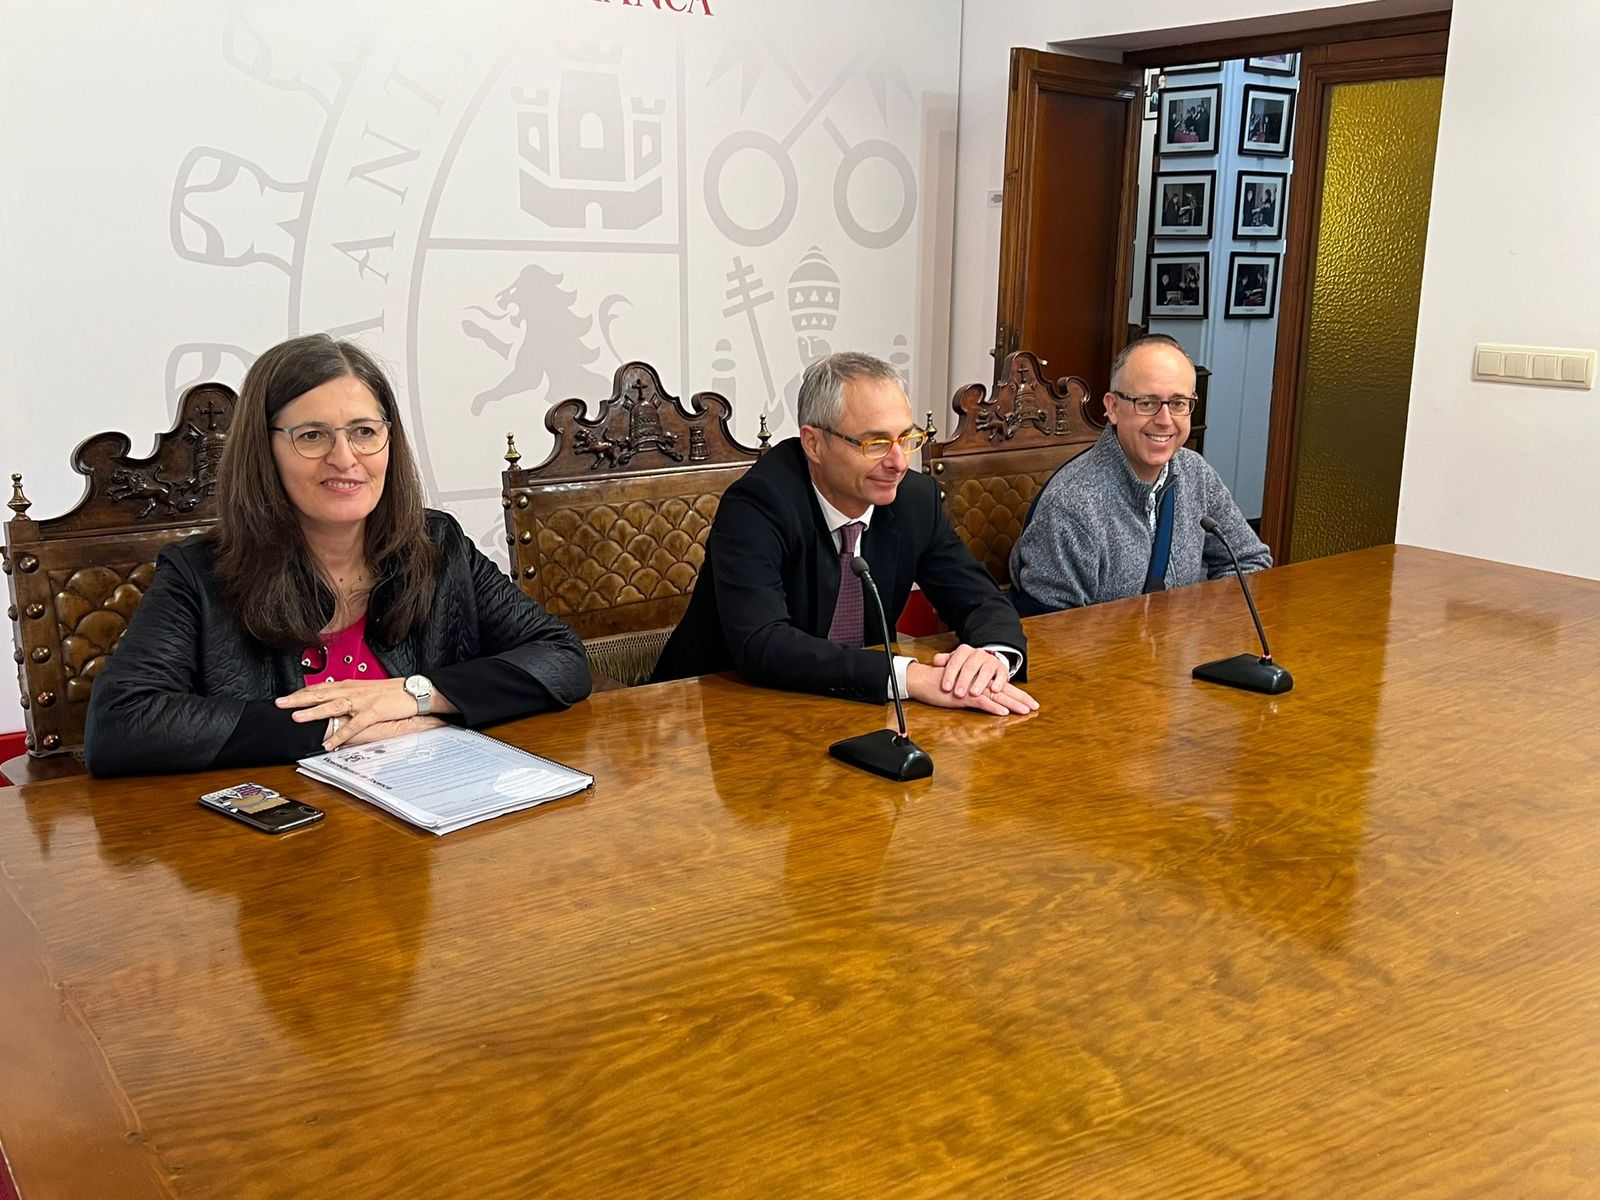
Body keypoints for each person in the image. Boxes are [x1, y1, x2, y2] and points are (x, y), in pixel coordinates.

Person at [83, 333, 591, 777]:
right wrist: (342, 723)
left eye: (364, 432)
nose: (345, 458)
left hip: (432, 833)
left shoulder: (438, 545)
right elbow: (121, 726)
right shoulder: (198, 574)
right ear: (264, 450)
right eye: (312, 436)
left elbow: (562, 659)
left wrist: (414, 695)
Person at [653, 351, 1037, 717]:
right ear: (813, 443)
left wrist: (991, 658)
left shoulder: (914, 500)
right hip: (720, 709)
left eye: (906, 438)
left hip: (856, 708)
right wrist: (910, 676)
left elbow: (980, 599)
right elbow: (764, 644)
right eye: (876, 443)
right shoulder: (757, 504)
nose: (899, 462)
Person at [1008, 334, 1271, 614]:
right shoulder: (1071, 505)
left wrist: (1195, 627)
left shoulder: (1196, 473)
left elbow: (1249, 562)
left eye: (1179, 403)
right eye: (1146, 403)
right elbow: (1046, 628)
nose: (1164, 420)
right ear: (1112, 408)